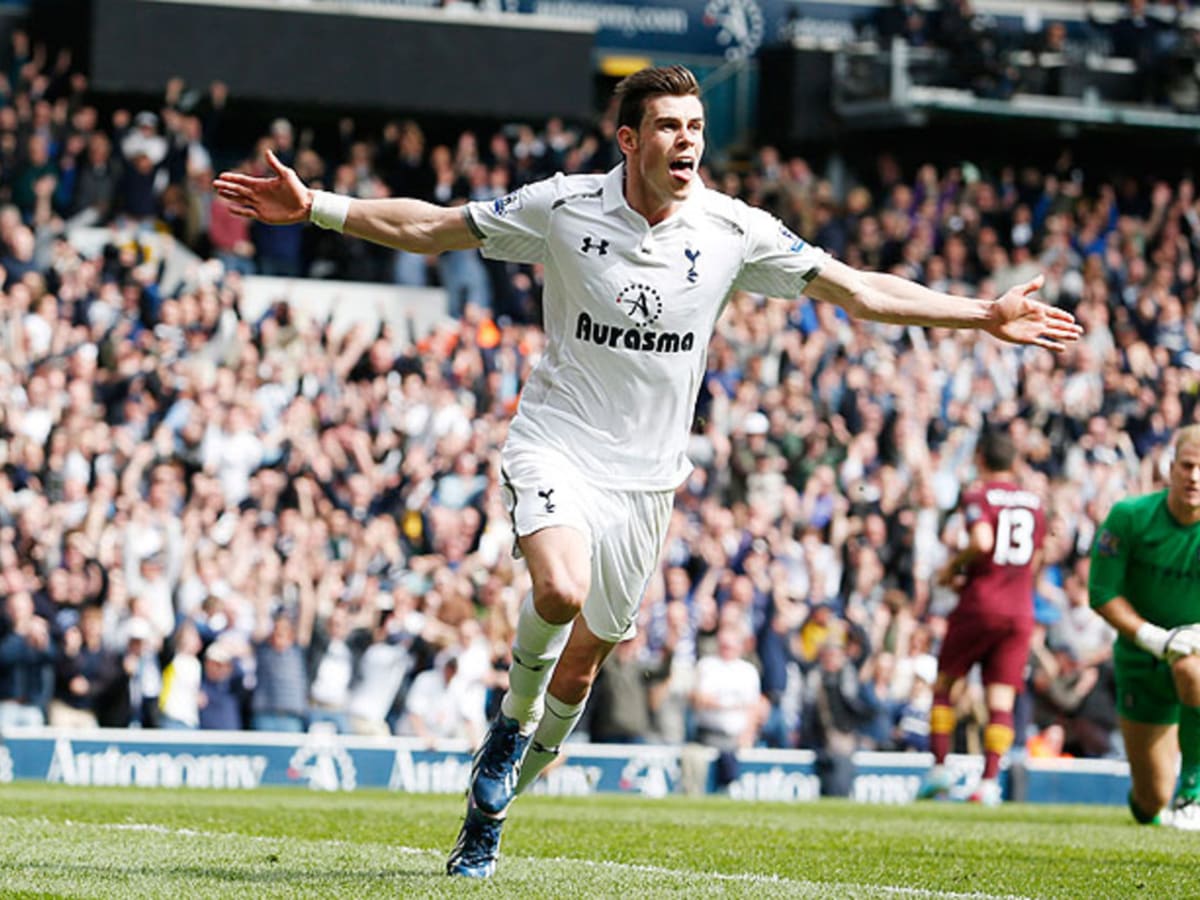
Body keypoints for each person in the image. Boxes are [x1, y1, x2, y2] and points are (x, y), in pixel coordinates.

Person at [214, 65, 1080, 878]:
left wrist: (982, 315)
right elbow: (437, 226)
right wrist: (320, 207)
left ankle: (494, 808)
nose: (686, 140)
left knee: (586, 665)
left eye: (696, 126)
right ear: (627, 140)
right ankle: (506, 736)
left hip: (648, 480)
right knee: (557, 589)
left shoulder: (734, 228)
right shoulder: (560, 208)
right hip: (556, 440)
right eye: (667, 125)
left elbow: (858, 290)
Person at [917, 427, 1047, 806]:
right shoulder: (1035, 504)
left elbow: (982, 542)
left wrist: (951, 570)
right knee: (1001, 700)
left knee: (945, 684)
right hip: (1020, 608)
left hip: (981, 603)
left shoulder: (978, 494)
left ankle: (940, 767)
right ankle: (989, 782)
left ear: (980, 459)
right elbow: (1034, 559)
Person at [1088, 425, 1200, 830]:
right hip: (1140, 660)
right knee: (1151, 798)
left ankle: (1192, 793)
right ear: (1171, 469)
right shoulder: (1129, 517)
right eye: (1188, 466)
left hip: (1193, 654)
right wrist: (1155, 638)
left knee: (1191, 665)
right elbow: (1101, 593)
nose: (1195, 477)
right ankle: (1157, 795)